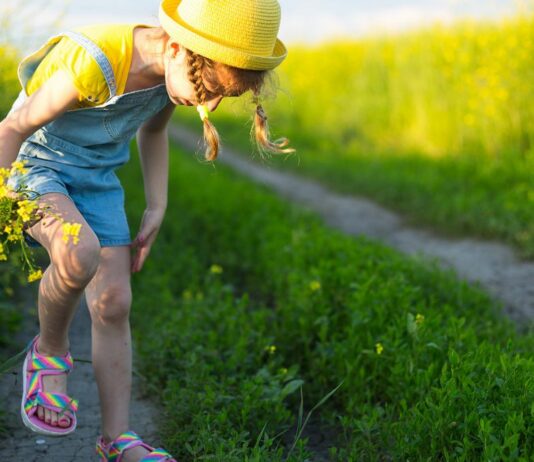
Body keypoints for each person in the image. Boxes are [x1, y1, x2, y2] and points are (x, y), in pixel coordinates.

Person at [0, 0, 292, 460]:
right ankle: (49, 353)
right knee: (78, 256)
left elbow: (152, 134)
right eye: (206, 89)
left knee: (115, 302)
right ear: (178, 47)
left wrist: (157, 204)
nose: (208, 105)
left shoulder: (172, 73)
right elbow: (12, 128)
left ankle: (116, 440)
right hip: (37, 165)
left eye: (222, 97)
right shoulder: (96, 61)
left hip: (96, 178)